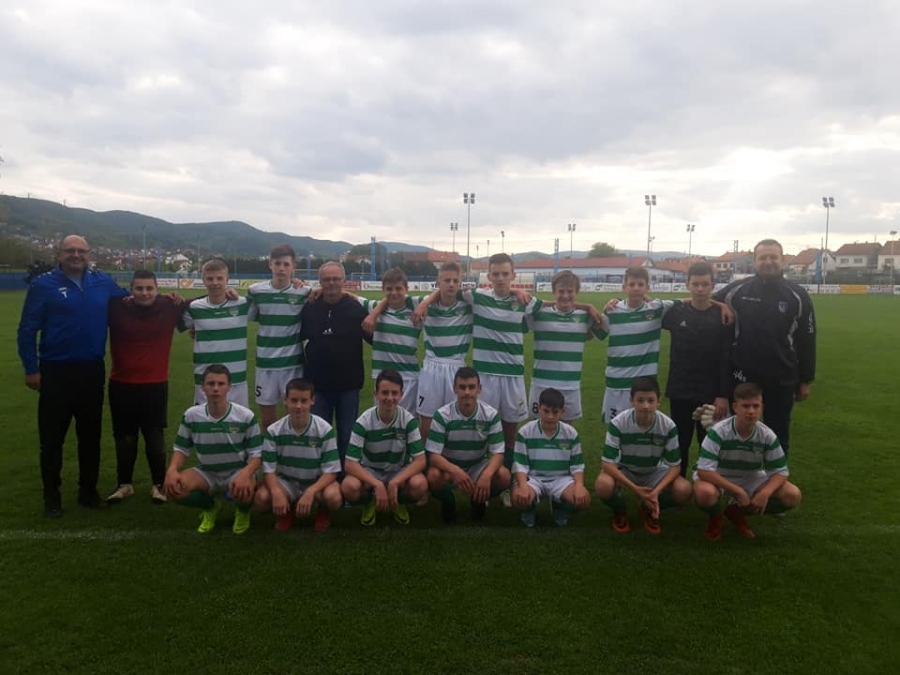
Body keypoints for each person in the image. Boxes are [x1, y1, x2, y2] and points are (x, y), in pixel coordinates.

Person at [17, 234, 129, 517]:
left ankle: (88, 492)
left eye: (81, 251)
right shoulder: (43, 285)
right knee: (52, 439)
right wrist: (31, 369)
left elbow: (134, 300)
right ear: (59, 254)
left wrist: (175, 302)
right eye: (70, 250)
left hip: (91, 370)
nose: (76, 255)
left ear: (89, 254)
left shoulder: (103, 282)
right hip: (55, 371)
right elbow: (27, 329)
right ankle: (52, 497)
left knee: (90, 437)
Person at [714, 239, 816, 456]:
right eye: (763, 258)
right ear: (754, 261)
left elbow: (807, 338)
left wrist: (806, 379)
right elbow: (704, 300)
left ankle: (776, 475)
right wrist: (721, 304)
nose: (768, 262)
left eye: (773, 257)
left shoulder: (798, 295)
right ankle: (737, 474)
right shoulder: (738, 289)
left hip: (781, 378)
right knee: (738, 435)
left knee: (778, 438)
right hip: (743, 377)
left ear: (782, 260)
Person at [106, 270, 183, 505]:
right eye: (139, 288)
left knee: (154, 436)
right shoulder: (115, 307)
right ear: (131, 290)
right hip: (121, 384)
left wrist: (229, 293)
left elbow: (206, 300)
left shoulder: (169, 306)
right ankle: (124, 485)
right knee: (125, 438)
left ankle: (158, 485)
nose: (144, 293)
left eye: (149, 288)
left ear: (157, 289)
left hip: (154, 385)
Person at [693, 382, 802, 540]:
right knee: (704, 493)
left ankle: (736, 512)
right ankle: (716, 517)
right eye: (745, 406)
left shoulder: (767, 435)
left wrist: (764, 493)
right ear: (735, 407)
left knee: (792, 495)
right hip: (719, 476)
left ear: (762, 408)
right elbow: (704, 470)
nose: (751, 411)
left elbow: (780, 472)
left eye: (755, 406)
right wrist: (739, 492)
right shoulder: (719, 431)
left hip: (749, 477)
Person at [164, 364, 263, 535]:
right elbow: (181, 448)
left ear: (229, 387)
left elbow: (258, 454)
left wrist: (246, 474)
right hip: (207, 471)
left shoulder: (245, 416)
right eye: (211, 383)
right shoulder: (191, 415)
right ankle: (211, 507)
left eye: (221, 383)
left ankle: (243, 512)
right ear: (203, 387)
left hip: (237, 470)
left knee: (245, 489)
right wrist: (172, 470)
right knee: (175, 489)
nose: (216, 388)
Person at [661, 261, 733, 476]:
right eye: (695, 284)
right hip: (680, 389)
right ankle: (677, 483)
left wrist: (723, 395)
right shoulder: (675, 312)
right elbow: (644, 305)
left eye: (705, 284)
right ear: (688, 285)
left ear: (713, 286)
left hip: (710, 392)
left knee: (709, 443)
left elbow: (726, 358)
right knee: (679, 442)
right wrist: (614, 302)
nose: (700, 289)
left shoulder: (722, 317)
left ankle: (707, 483)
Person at [595, 377, 692, 534]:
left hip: (654, 471)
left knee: (684, 490)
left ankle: (647, 506)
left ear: (658, 402)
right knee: (603, 485)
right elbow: (607, 464)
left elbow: (675, 467)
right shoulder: (618, 423)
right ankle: (620, 510)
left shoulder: (668, 425)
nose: (645, 405)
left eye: (650, 400)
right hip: (625, 469)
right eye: (640, 400)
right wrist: (635, 489)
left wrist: (655, 492)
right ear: (631, 401)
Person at [300, 261, 371, 464]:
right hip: (317, 386)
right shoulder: (310, 307)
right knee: (318, 436)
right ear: (320, 281)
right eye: (326, 279)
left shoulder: (355, 308)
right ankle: (321, 476)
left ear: (343, 281)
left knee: (347, 436)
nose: (331, 283)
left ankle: (344, 477)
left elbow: (374, 338)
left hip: (348, 386)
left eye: (336, 279)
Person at [254, 378, 342, 532]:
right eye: (294, 400)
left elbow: (331, 471)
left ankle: (323, 510)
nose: (299, 406)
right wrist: (276, 492)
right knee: (261, 499)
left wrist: (311, 491)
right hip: (287, 482)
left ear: (312, 401)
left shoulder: (324, 429)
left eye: (304, 401)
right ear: (286, 400)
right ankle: (287, 510)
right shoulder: (274, 430)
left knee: (334, 497)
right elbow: (269, 470)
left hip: (315, 482)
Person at [340, 370, 427, 526]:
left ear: (401, 395)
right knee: (349, 487)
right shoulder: (364, 421)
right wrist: (377, 484)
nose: (389, 398)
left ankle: (397, 502)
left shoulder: (408, 420)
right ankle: (370, 501)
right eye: (385, 393)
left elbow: (420, 460)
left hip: (397, 470)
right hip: (371, 470)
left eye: (394, 393)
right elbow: (350, 464)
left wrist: (395, 482)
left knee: (420, 485)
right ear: (376, 394)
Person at [425, 367, 510, 523]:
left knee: (503, 476)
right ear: (454, 389)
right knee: (433, 476)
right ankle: (449, 502)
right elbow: (434, 456)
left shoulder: (491, 415)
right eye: (462, 387)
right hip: (451, 466)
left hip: (478, 464)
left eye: (471, 387)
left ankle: (478, 499)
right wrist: (456, 471)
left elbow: (498, 453)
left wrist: (486, 476)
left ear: (479, 389)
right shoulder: (442, 415)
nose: (467, 392)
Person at [527, 270, 607, 422]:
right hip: (541, 382)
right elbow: (522, 305)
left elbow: (596, 333)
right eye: (561, 291)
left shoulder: (586, 317)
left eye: (570, 291)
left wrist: (589, 307)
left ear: (577, 292)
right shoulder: (539, 313)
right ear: (553, 292)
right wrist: (587, 305)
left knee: (566, 430)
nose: (565, 295)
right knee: (538, 428)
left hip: (570, 384)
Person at [247, 244, 312, 431]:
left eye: (286, 264)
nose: (281, 268)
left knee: (294, 418)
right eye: (277, 263)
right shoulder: (255, 291)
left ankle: (290, 448)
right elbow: (240, 315)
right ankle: (270, 450)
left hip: (292, 365)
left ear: (293, 267)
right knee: (267, 420)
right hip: (265, 365)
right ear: (270, 264)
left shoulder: (304, 292)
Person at [510, 387, 590, 527]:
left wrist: (579, 485)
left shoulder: (571, 433)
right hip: (533, 479)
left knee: (584, 500)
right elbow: (520, 465)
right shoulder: (525, 432)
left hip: (561, 479)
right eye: (546, 411)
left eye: (555, 412)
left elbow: (577, 466)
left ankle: (559, 504)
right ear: (538, 408)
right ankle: (529, 509)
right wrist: (522, 486)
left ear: (562, 412)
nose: (550, 416)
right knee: (517, 497)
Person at [179, 258, 252, 407]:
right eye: (210, 279)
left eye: (219, 278)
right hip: (206, 381)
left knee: (238, 420)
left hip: (236, 380)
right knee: (205, 420)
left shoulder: (242, 304)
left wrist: (297, 283)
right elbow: (171, 316)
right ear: (203, 280)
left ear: (227, 280)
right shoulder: (194, 308)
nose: (215, 283)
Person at [359, 267, 423, 413]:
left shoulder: (416, 307)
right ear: (383, 289)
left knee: (407, 420)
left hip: (409, 377)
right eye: (389, 289)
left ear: (406, 289)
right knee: (382, 419)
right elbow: (350, 297)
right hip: (382, 378)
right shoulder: (373, 307)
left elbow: (440, 296)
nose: (394, 293)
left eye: (398, 288)